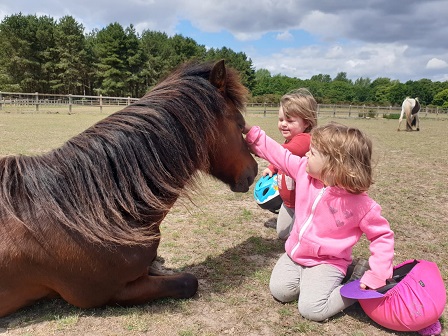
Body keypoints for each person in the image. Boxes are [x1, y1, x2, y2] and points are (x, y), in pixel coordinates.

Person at [243, 121, 394, 322]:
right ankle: (315, 281)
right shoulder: (303, 172)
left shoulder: (362, 205)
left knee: (312, 309)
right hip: (295, 256)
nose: (306, 155)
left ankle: (355, 284)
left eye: (312, 153)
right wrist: (248, 130)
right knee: (281, 292)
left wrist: (378, 274)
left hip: (327, 262)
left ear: (334, 164)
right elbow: (279, 154)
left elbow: (382, 236)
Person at [262, 88, 317, 239]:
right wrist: (271, 168)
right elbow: (282, 158)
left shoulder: (305, 139)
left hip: (303, 205)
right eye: (281, 120)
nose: (283, 124)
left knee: (297, 238)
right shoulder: (290, 140)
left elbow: (285, 152)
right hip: (288, 203)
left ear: (306, 122)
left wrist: (262, 146)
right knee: (282, 234)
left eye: (290, 121)